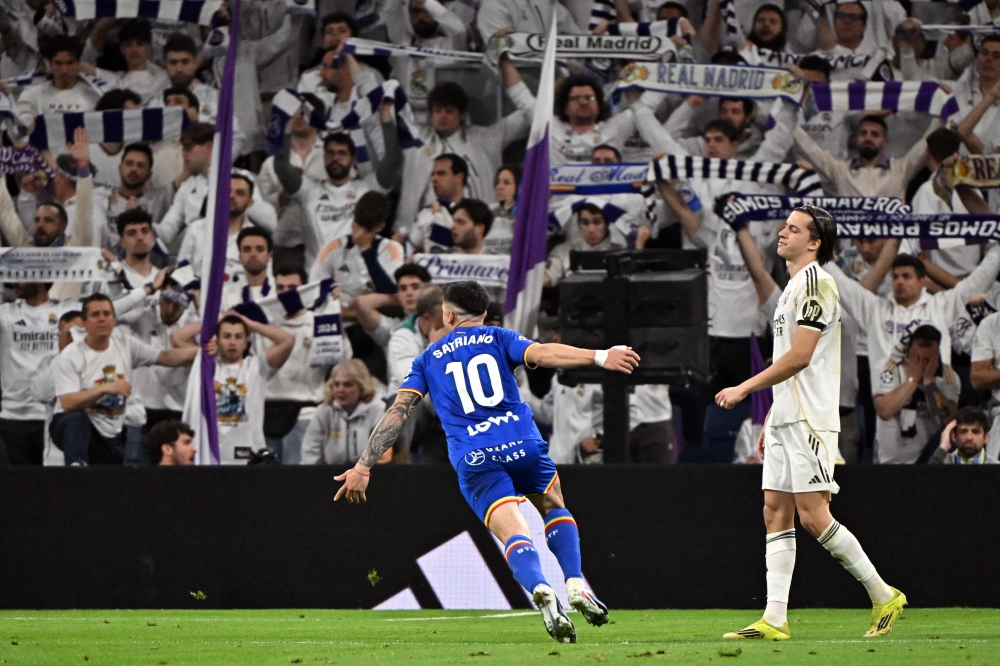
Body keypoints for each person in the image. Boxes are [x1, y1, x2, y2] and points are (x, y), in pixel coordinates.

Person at [335, 280, 641, 643]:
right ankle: (575, 582)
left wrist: (364, 465)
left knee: (514, 533)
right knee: (554, 503)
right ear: (483, 313)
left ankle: (541, 587)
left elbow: (398, 412)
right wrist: (600, 356)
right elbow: (543, 354)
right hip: (520, 442)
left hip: (474, 456)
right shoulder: (499, 337)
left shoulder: (428, 358)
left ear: (447, 314)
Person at [715, 205, 905, 640]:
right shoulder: (792, 286)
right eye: (784, 227)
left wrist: (745, 389)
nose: (782, 233)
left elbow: (801, 356)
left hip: (810, 419)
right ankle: (775, 618)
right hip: (787, 416)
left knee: (814, 516)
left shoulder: (818, 283)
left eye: (793, 229)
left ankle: (883, 594)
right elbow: (793, 363)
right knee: (774, 511)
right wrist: (771, 417)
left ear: (815, 242)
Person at [51, 294, 199, 465]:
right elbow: (67, 403)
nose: (102, 319)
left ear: (114, 320)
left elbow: (164, 357)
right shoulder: (71, 354)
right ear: (84, 323)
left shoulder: (125, 344)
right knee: (76, 419)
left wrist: (202, 352)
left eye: (107, 314)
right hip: (69, 427)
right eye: (95, 314)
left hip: (110, 435)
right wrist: (105, 389)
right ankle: (75, 467)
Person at [201, 314, 296, 464]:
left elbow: (288, 340)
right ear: (216, 340)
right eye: (227, 336)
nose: (232, 342)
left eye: (238, 337)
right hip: (213, 454)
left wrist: (252, 324)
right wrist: (214, 321)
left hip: (251, 454)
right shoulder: (206, 366)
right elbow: (177, 337)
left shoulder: (257, 366)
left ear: (247, 342)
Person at [0, 283, 73, 465]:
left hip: (53, 416)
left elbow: (112, 307)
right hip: (13, 417)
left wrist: (149, 288)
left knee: (51, 487)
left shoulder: (67, 309)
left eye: (21, 276)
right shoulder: (6, 313)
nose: (13, 281)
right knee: (18, 488)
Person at [872, 324, 959, 464]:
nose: (922, 364)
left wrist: (929, 383)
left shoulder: (948, 375)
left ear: (938, 355)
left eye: (928, 360)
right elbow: (885, 411)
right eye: (917, 358)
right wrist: (912, 380)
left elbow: (946, 422)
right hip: (891, 462)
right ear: (909, 352)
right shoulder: (888, 367)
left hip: (929, 458)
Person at [300, 359, 386, 465]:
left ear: (362, 386)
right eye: (336, 384)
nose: (340, 390)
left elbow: (383, 456)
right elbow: (310, 454)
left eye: (347, 384)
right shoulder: (323, 412)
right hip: (329, 475)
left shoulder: (378, 411)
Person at [15, 35, 100, 127]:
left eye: (70, 63)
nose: (64, 70)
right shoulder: (31, 94)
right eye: (58, 63)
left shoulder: (94, 96)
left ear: (79, 62)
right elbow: (21, 127)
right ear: (50, 62)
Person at [387, 284, 444, 392]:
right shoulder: (401, 337)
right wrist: (434, 345)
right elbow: (410, 379)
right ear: (427, 318)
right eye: (445, 317)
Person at [408, 153, 469, 253]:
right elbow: (415, 250)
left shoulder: (476, 213)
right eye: (433, 174)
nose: (434, 179)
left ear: (459, 178)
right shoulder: (425, 214)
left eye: (441, 174)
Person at [930, 407, 998, 465]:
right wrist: (943, 447)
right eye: (963, 432)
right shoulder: (942, 463)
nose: (969, 437)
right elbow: (927, 478)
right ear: (954, 436)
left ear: (986, 437)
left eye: (976, 432)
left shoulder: (996, 469)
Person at [486, 165, 519, 256]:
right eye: (498, 182)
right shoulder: (487, 211)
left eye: (506, 183)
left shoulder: (527, 216)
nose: (499, 187)